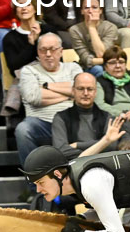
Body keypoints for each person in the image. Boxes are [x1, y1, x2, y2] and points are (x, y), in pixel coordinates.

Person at [15, 33, 83, 163]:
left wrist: (46, 86)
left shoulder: (73, 68)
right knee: (23, 130)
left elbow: (81, 91)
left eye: (52, 49)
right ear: (37, 52)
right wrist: (69, 95)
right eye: (43, 50)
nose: (48, 54)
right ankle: (34, 175)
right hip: (42, 123)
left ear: (61, 51)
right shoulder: (29, 71)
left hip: (71, 122)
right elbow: (34, 97)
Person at [52, 72, 124, 160]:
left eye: (90, 89)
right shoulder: (60, 117)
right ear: (73, 91)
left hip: (102, 164)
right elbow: (61, 151)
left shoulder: (106, 117)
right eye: (80, 89)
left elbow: (111, 145)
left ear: (95, 92)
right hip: (73, 165)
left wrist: (77, 145)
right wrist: (102, 144)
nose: (85, 93)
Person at [69, 0, 119, 77]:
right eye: (86, 7)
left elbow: (103, 53)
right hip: (87, 68)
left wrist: (109, 61)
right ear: (82, 11)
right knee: (98, 69)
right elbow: (87, 59)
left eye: (94, 7)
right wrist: (91, 27)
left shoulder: (110, 27)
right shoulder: (75, 30)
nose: (90, 11)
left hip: (109, 65)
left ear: (100, 10)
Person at [94, 46, 130, 117]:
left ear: (125, 64)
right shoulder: (99, 81)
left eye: (121, 62)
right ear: (105, 66)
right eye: (112, 63)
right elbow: (99, 104)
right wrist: (120, 114)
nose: (118, 66)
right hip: (111, 117)